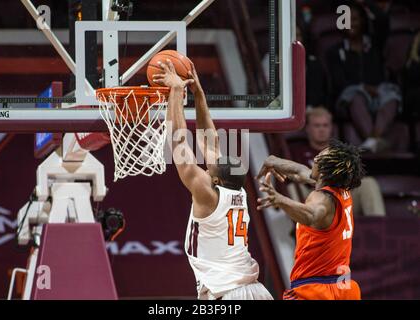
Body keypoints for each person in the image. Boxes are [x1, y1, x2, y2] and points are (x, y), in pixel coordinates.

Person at [152, 59, 272, 300]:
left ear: (215, 180)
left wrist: (175, 91)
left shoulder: (207, 195)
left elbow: (178, 143)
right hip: (256, 291)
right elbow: (210, 141)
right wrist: (199, 95)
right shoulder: (237, 192)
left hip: (228, 294)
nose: (206, 166)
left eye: (210, 169)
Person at [256, 139, 364, 300]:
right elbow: (301, 172)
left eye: (318, 158)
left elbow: (312, 215)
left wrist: (280, 200)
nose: (315, 158)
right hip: (343, 287)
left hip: (316, 290)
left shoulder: (321, 199)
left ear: (323, 171)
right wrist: (273, 161)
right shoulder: (340, 187)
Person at [326, 0, 401, 153]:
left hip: (378, 94)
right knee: (355, 95)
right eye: (346, 19)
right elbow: (339, 83)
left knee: (392, 94)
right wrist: (363, 87)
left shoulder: (374, 44)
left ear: (363, 21)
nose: (351, 23)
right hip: (352, 98)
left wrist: (366, 2)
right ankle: (374, 139)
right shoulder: (335, 51)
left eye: (355, 19)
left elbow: (383, 20)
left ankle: (372, 140)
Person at [290, 107, 386, 217]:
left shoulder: (342, 151)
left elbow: (352, 178)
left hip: (340, 199)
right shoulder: (296, 151)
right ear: (307, 128)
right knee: (292, 188)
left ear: (331, 128)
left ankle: (379, 230)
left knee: (368, 183)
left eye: (325, 125)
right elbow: (293, 177)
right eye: (317, 125)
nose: (321, 129)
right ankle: (297, 231)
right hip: (312, 201)